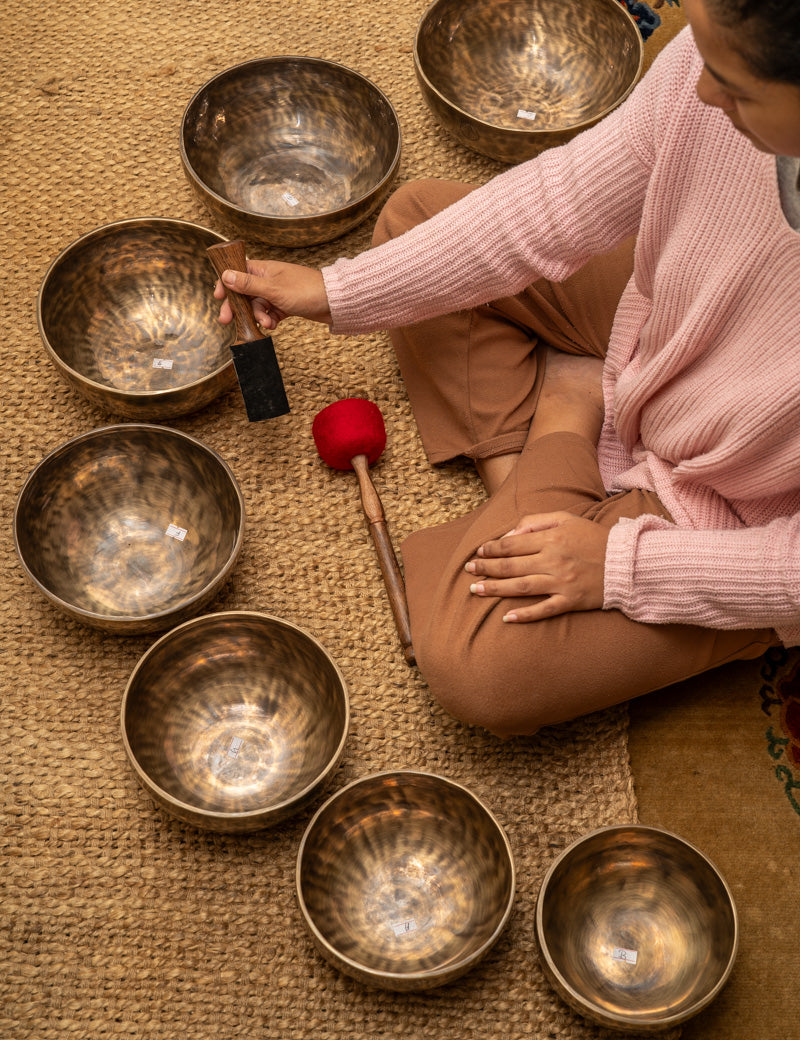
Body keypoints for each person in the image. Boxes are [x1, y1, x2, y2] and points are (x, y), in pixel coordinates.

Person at [216, 0, 800, 737]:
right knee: (415, 220)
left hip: (737, 506)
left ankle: (560, 422)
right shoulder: (707, 65)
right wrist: (333, 293)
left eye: (735, 86)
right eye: (701, 55)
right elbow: (555, 204)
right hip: (677, 325)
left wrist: (621, 567)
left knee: (480, 667)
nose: (702, 90)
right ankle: (548, 471)